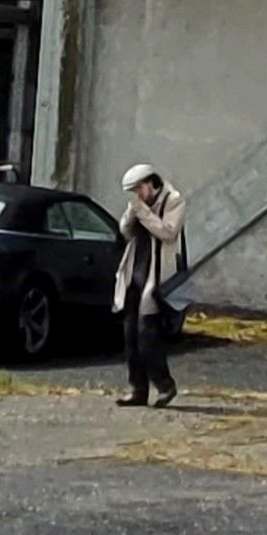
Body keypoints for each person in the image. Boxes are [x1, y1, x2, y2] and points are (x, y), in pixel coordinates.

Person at [112, 161, 188, 408]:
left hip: (157, 274)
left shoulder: (173, 200)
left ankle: (165, 385)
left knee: (147, 334)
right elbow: (124, 231)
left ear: (149, 184)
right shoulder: (138, 205)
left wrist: (143, 212)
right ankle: (138, 388)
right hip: (135, 270)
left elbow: (168, 232)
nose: (138, 195)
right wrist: (132, 213)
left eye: (139, 189)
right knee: (129, 334)